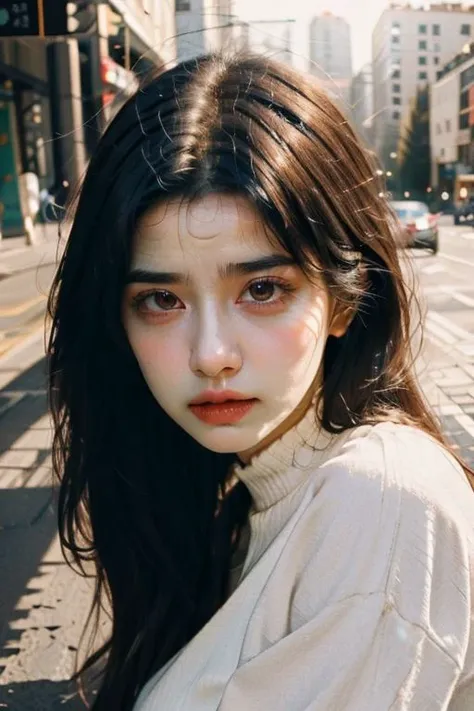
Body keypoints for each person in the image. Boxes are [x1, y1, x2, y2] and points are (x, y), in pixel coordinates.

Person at [47, 52, 474, 711]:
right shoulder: (242, 494)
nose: (212, 354)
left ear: (341, 299)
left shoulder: (381, 502)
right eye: (161, 300)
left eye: (263, 288)